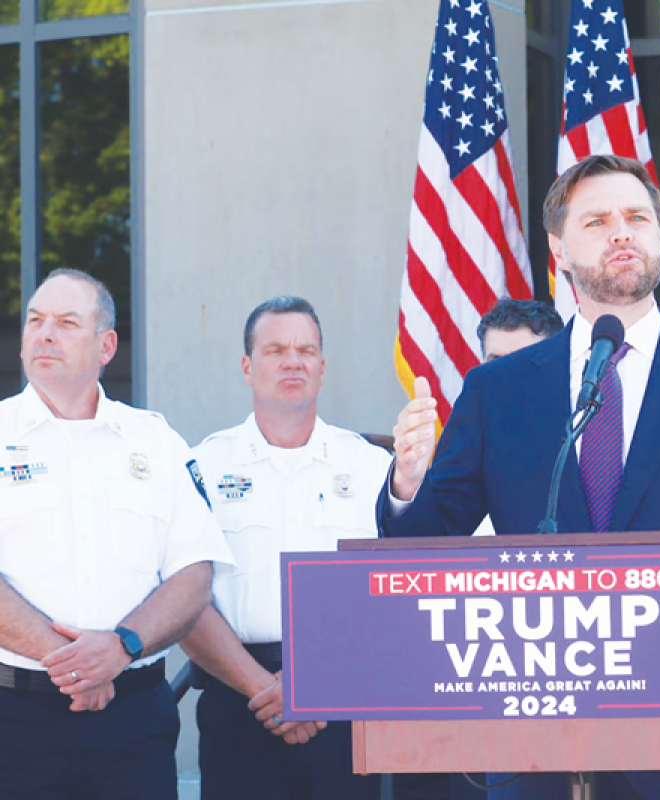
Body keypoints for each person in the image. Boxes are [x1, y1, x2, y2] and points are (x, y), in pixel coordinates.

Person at [379, 154, 660, 799]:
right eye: (598, 221)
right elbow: (427, 547)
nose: (622, 232)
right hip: (534, 749)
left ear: (659, 231)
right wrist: (408, 486)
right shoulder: (498, 390)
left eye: (636, 217)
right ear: (558, 249)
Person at [0, 269, 233, 799]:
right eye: (35, 321)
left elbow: (194, 575)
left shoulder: (157, 441)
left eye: (66, 322)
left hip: (133, 723)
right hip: (14, 721)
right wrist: (80, 666)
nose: (44, 334)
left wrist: (122, 647)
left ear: (107, 345)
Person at [182, 296, 393, 800]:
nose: (293, 360)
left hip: (345, 698)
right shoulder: (201, 468)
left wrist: (317, 685)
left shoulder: (368, 467)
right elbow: (183, 596)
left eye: (306, 349)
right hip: (237, 692)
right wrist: (262, 687)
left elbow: (392, 590)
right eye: (275, 349)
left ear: (322, 367)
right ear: (247, 367)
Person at [470, 298, 564, 538]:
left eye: (523, 361)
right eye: (497, 364)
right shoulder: (467, 447)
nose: (508, 376)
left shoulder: (583, 442)